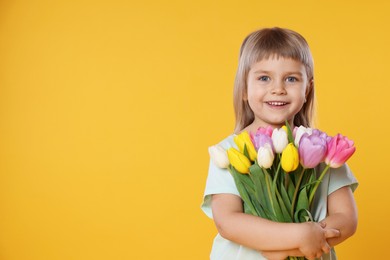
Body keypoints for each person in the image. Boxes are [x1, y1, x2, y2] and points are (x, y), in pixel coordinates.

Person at [201, 27, 358, 260]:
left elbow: (346, 218)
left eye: (291, 79)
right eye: (264, 78)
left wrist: (296, 246)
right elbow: (229, 222)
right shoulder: (230, 151)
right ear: (244, 88)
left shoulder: (322, 149)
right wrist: (300, 236)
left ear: (308, 88)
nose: (278, 89)